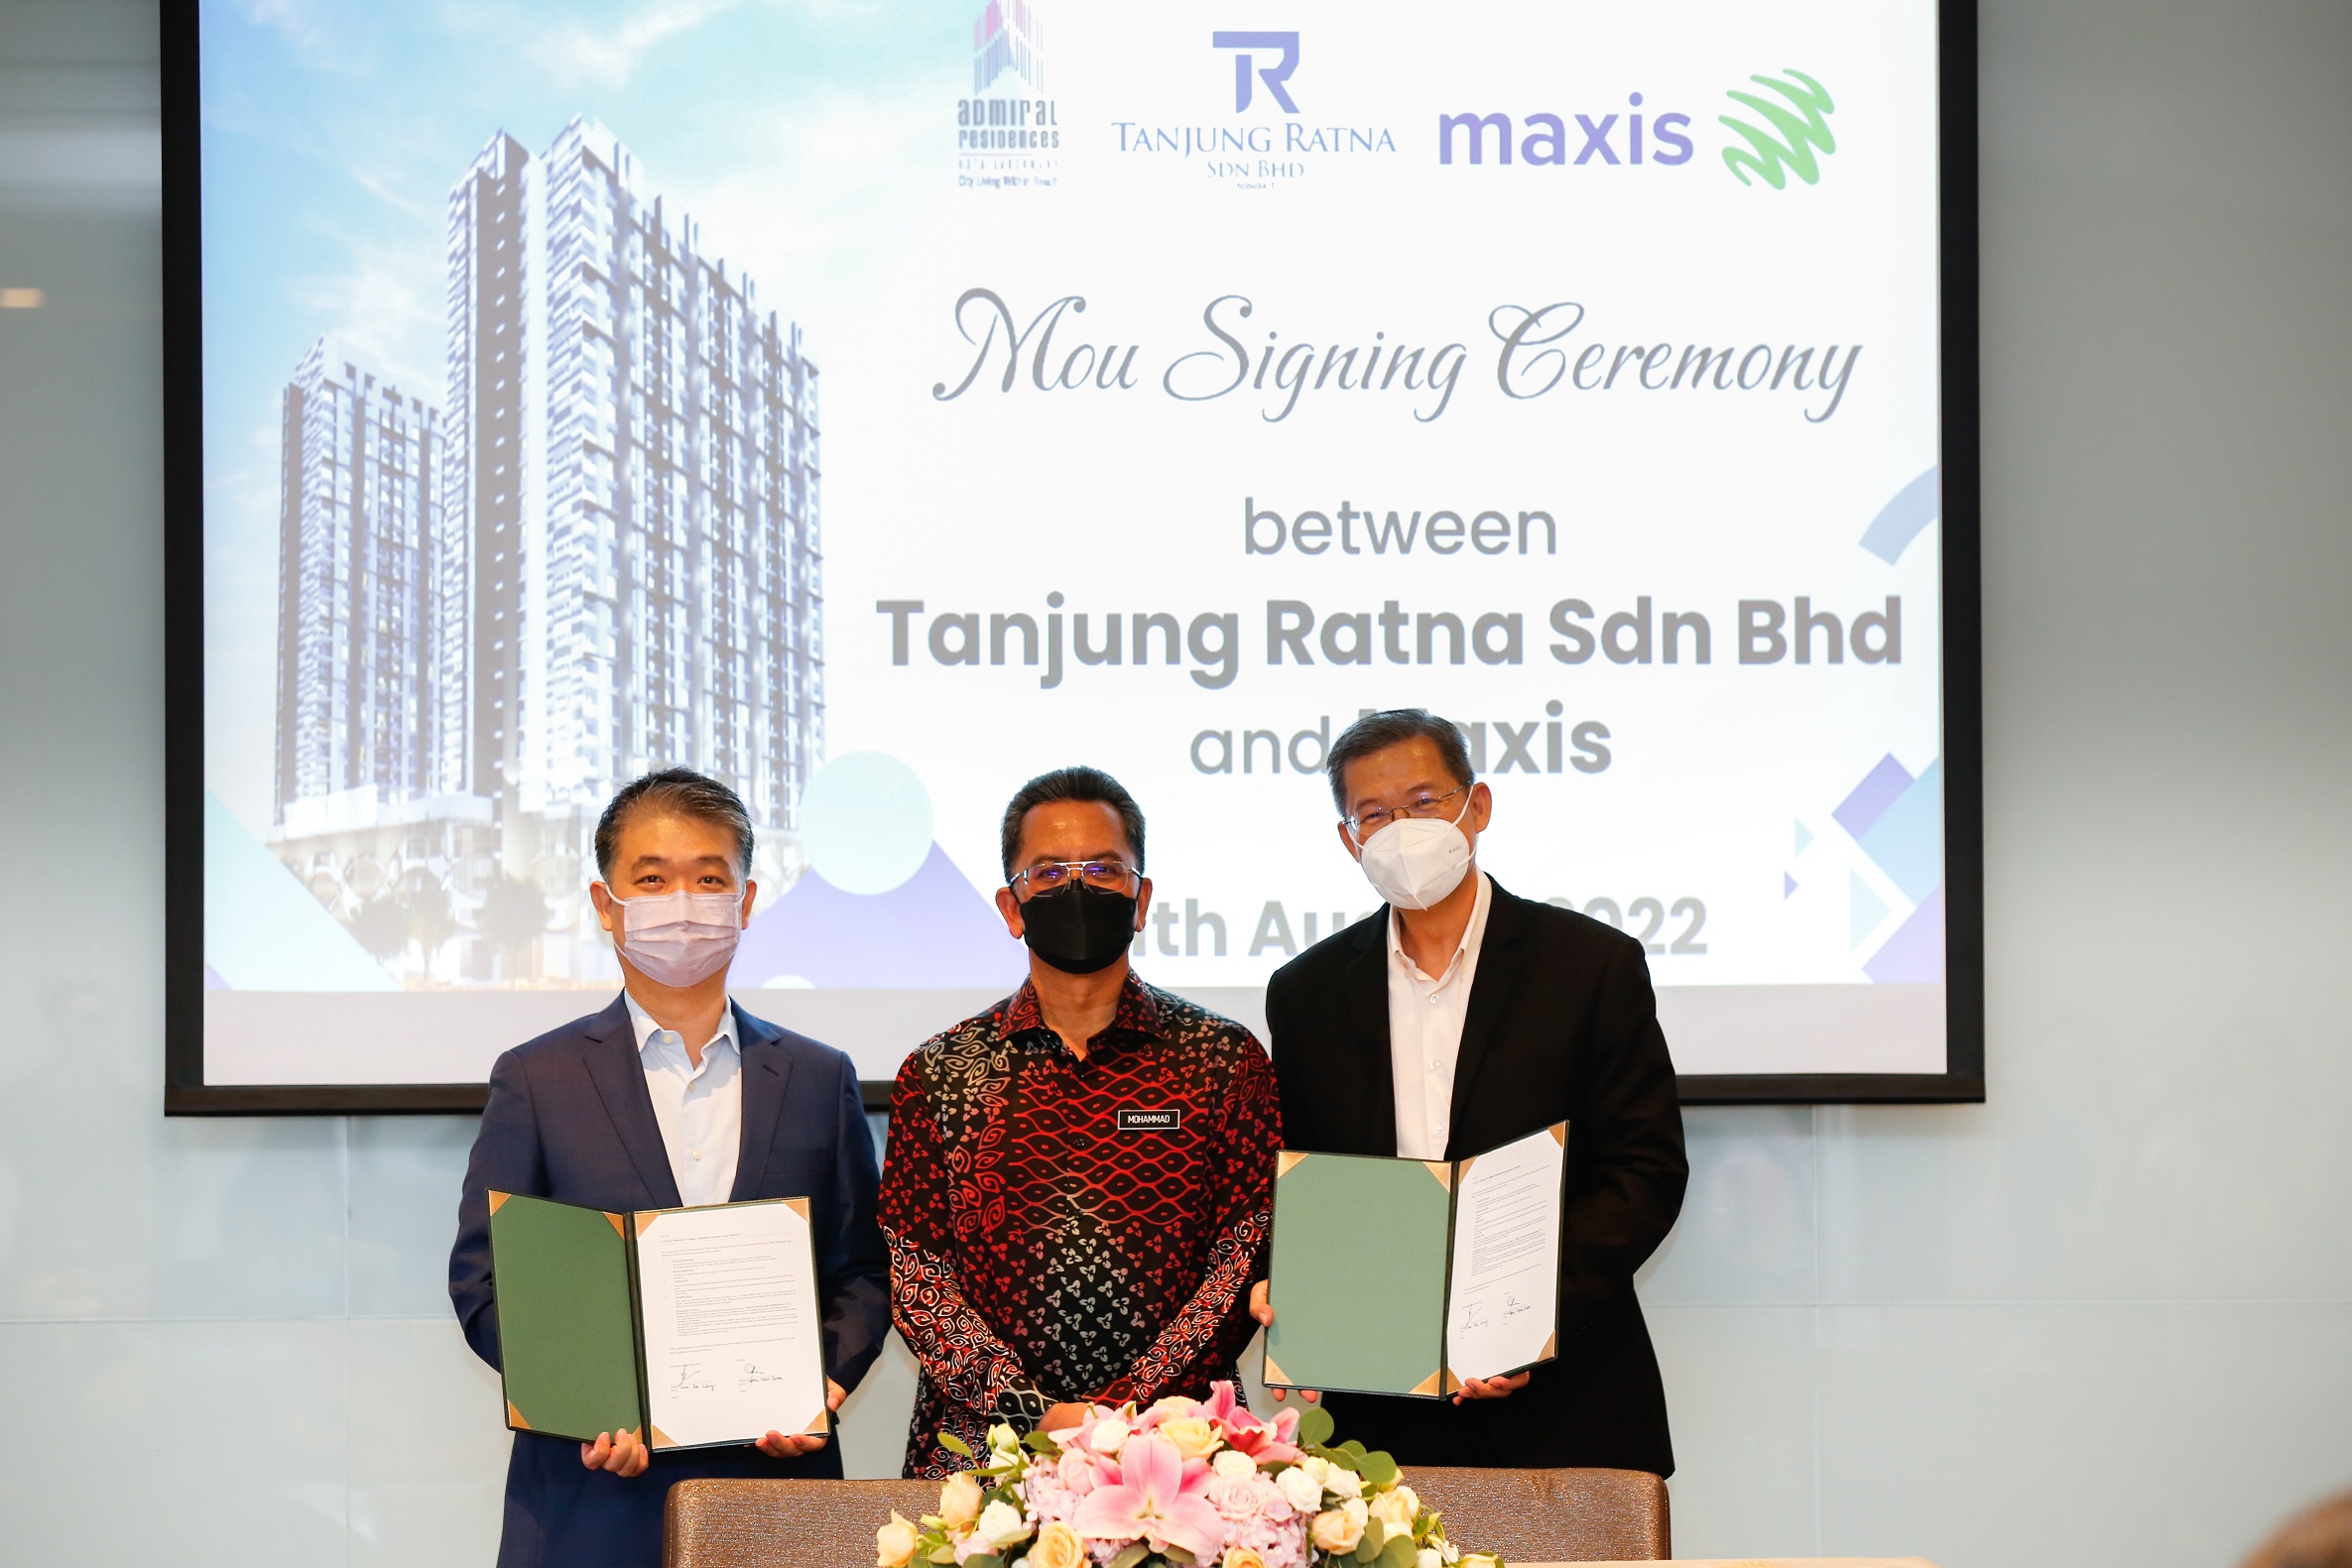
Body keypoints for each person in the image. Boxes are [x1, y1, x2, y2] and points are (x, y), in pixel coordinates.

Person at [449, 768, 890, 1568]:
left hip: (776, 1498)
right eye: (651, 879)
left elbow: (861, 1270)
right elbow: (488, 1280)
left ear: (745, 902)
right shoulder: (537, 1077)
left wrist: (823, 1382)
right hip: (590, 1502)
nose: (681, 903)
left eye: (709, 878)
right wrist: (583, 1402)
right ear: (605, 902)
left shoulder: (819, 1077)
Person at [1250, 709, 1687, 1475]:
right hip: (1375, 1421)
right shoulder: (1306, 992)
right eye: (1373, 814)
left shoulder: (1589, 966)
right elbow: (1311, 1182)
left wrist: (1524, 1320)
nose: (1401, 829)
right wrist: (1297, 1291)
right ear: (1349, 839)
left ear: (1475, 806)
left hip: (1566, 1406)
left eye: (1423, 801)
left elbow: (1642, 1174)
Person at [879, 766, 1282, 1476]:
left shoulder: (1223, 1058)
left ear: (1141, 897)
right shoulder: (938, 1072)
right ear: (1011, 907)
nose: (1077, 888)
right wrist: (1033, 1414)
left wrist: (1126, 1411)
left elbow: (1243, 1254)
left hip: (1179, 1449)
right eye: (1048, 872)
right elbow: (918, 1275)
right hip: (984, 1458)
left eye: (1102, 869)